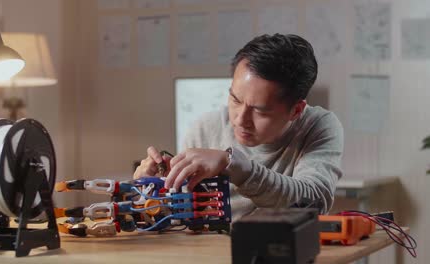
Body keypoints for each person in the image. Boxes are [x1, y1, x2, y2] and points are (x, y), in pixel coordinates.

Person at [134, 34, 344, 221]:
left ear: (296, 111)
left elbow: (313, 204)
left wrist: (234, 164)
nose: (240, 119)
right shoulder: (206, 128)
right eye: (235, 99)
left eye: (260, 111)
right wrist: (150, 188)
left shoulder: (318, 126)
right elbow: (180, 216)